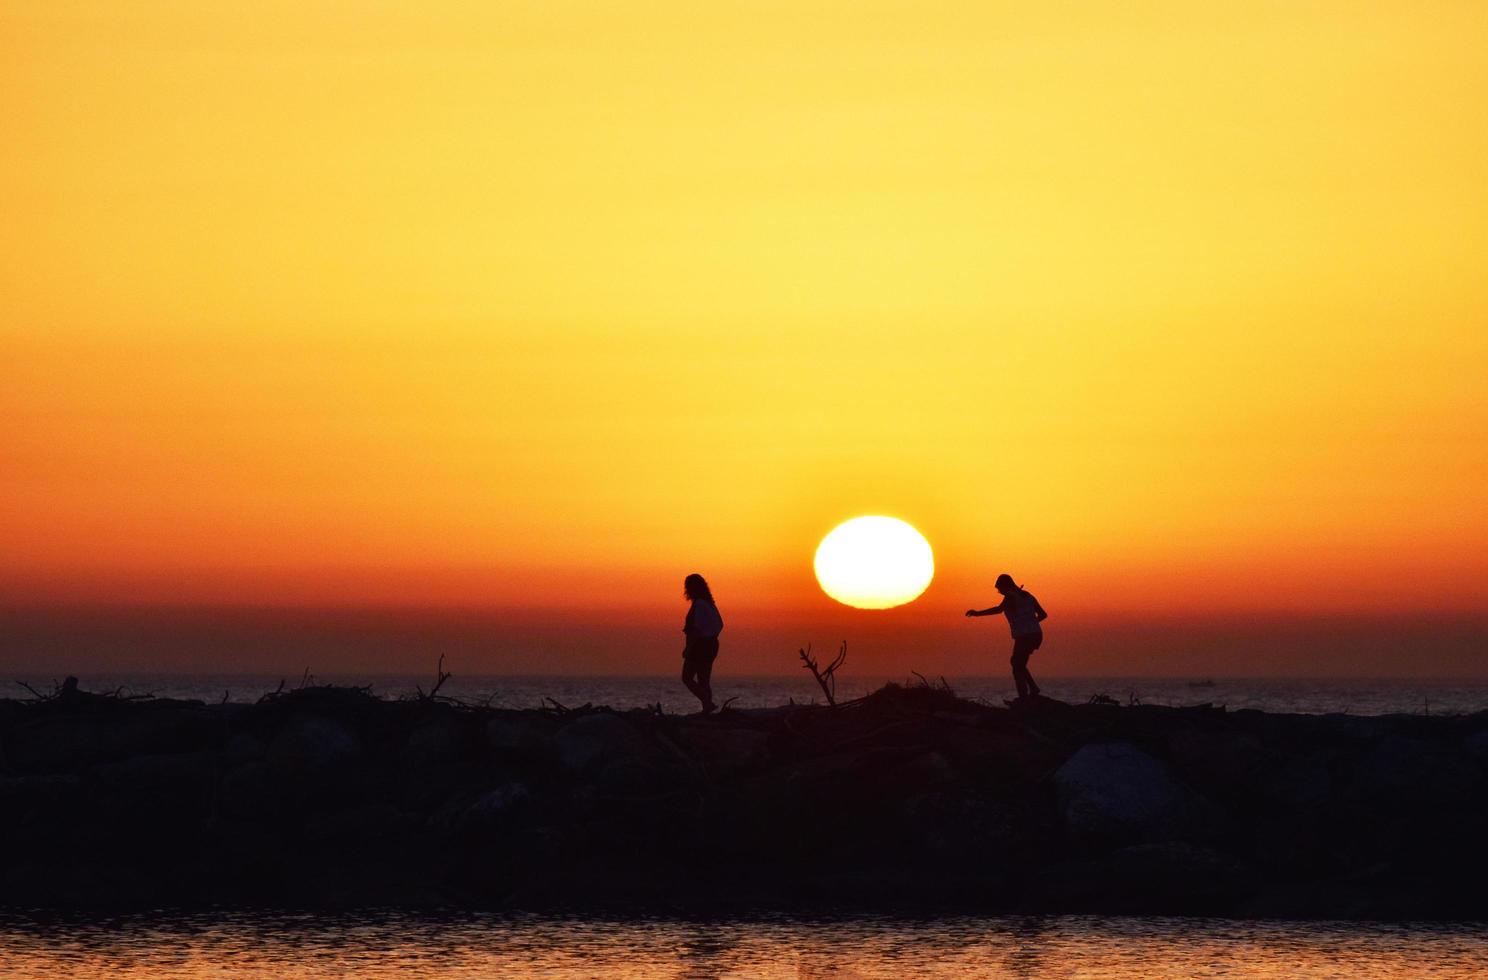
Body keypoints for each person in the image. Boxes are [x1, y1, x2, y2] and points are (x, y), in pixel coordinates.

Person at [966, 573, 1049, 700]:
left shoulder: (1011, 596)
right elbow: (1043, 614)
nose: (999, 592)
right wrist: (1031, 623)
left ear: (1006, 586)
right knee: (1017, 663)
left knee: (1017, 665)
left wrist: (977, 613)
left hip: (1025, 636)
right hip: (1036, 634)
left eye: (1000, 589)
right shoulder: (1029, 595)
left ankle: (1024, 697)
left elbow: (998, 610)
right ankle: (1033, 688)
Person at [681, 573, 723, 714]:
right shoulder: (710, 605)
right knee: (704, 680)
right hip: (712, 644)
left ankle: (707, 703)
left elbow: (695, 630)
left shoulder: (698, 604)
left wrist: (688, 648)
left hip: (700, 646)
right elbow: (721, 624)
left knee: (687, 677)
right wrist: (712, 635)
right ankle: (707, 709)